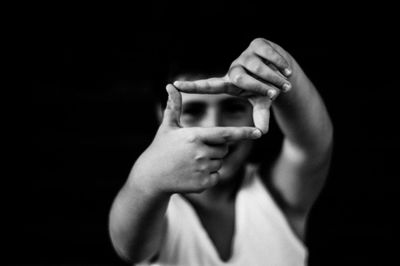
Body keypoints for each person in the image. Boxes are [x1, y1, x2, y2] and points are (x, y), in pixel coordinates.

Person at [108, 37, 333, 265]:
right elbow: (129, 247)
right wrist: (147, 178)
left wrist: (283, 69)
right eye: (194, 111)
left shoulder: (276, 196)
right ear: (161, 114)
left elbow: (313, 143)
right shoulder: (155, 210)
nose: (214, 128)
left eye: (233, 108)